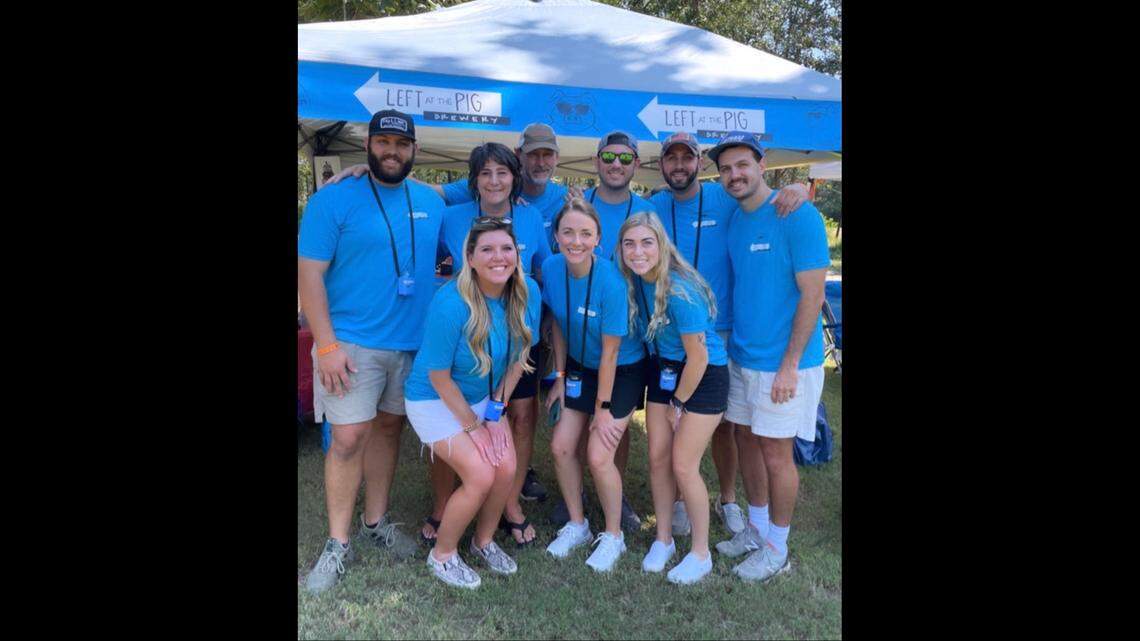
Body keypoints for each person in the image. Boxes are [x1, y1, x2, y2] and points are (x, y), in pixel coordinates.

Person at [298, 109, 444, 593]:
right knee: (347, 438)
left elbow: (491, 189)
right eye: (382, 142)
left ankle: (375, 522)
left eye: (401, 145)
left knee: (388, 429)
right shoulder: (333, 199)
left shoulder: (433, 199)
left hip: (411, 343)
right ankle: (337, 544)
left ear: (415, 151)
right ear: (367, 146)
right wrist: (325, 345)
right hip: (350, 344)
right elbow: (310, 275)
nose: (391, 152)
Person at [648, 131, 808, 539]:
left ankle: (728, 498)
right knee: (677, 418)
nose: (679, 165)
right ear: (662, 165)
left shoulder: (725, 197)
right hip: (673, 333)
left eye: (688, 158)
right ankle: (683, 498)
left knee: (727, 425)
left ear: (701, 164)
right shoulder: (653, 206)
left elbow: (763, 199)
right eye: (671, 158)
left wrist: (798, 189)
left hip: (721, 333)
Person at [711, 132, 830, 583]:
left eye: (742, 165)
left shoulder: (797, 214)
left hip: (784, 363)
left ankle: (777, 546)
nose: (734, 175)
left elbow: (813, 294)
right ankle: (756, 529)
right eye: (725, 169)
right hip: (742, 355)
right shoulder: (737, 217)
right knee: (745, 439)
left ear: (763, 165)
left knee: (777, 453)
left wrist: (788, 365)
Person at [403, 217, 542, 589]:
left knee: (506, 465)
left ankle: (483, 542)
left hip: (482, 399)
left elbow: (518, 359)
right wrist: (472, 427)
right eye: (487, 249)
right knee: (481, 473)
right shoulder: (451, 303)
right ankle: (443, 556)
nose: (499, 257)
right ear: (470, 257)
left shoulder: (528, 294)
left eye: (506, 248)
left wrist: (495, 414)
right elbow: (438, 376)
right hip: (433, 400)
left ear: (517, 254)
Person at [427, 142, 550, 548]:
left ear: (515, 178)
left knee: (521, 416)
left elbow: (543, 273)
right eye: (486, 173)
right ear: (474, 180)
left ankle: (509, 504)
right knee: (452, 423)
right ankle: (444, 505)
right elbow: (431, 262)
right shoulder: (450, 217)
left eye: (503, 172)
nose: (495, 180)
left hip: (515, 340)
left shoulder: (532, 219)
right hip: (464, 346)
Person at [616, 211, 730, 584]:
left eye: (647, 242)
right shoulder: (636, 281)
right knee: (657, 458)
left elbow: (698, 357)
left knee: (683, 465)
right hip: (665, 369)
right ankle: (663, 539)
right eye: (629, 243)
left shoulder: (680, 289)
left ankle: (701, 553)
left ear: (661, 244)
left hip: (703, 375)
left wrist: (678, 404)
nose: (638, 251)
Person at [541, 198, 649, 572]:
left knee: (599, 454)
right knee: (559, 446)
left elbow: (611, 352)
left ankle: (614, 535)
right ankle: (578, 524)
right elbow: (557, 321)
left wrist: (601, 410)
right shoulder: (551, 267)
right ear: (555, 235)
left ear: (599, 239)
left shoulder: (612, 281)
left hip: (622, 370)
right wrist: (558, 376)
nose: (576, 241)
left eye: (585, 233)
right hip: (579, 367)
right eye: (568, 232)